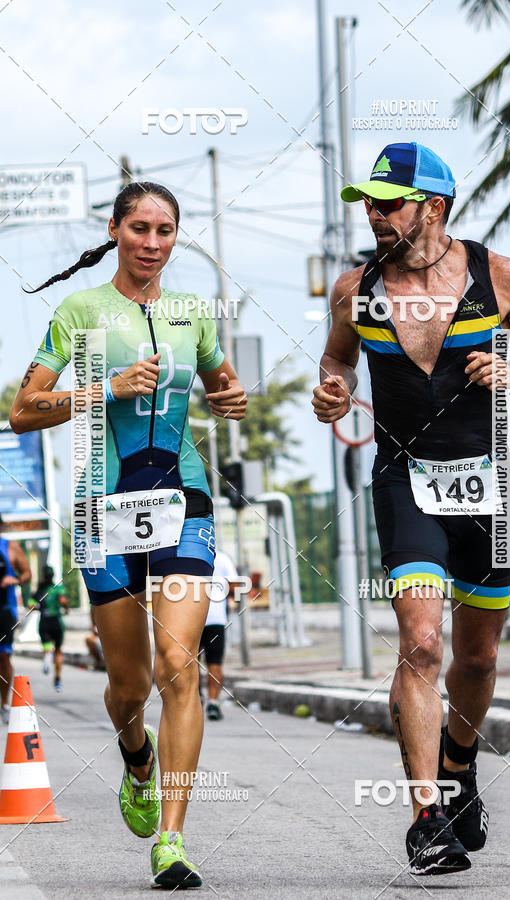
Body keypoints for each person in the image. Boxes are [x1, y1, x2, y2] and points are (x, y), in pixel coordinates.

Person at [312, 142, 510, 876]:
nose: (373, 215)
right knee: (423, 643)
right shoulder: (354, 290)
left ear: (432, 207)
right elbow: (336, 359)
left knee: (479, 654)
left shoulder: (501, 276)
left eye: (388, 203)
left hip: (490, 482)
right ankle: (428, 816)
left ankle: (460, 767)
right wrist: (332, 387)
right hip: (406, 478)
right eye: (368, 203)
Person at [10, 182, 247, 888]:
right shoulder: (80, 312)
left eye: (165, 230)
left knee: (180, 665)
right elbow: (24, 410)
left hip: (185, 500)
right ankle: (135, 754)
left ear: (177, 237)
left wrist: (231, 397)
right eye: (139, 227)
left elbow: (224, 384)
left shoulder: (192, 313)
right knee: (128, 684)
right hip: (100, 507)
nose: (152, 242)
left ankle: (171, 841)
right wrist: (107, 388)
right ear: (115, 230)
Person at [198, 549, 239, 720]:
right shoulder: (222, 558)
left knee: (190, 662)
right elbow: (235, 585)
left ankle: (194, 698)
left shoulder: (192, 555)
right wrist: (229, 598)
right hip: (216, 618)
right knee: (215, 662)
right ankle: (213, 702)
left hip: (192, 618)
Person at [0, 514, 32, 722]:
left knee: (3, 658)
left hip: (4, 610)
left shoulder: (10, 548)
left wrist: (16, 579)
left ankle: (4, 704)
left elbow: (27, 572)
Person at [29, 565, 68, 691]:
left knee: (47, 645)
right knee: (59, 650)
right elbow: (63, 601)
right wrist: (66, 609)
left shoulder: (40, 590)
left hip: (44, 620)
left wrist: (37, 607)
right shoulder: (58, 588)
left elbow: (30, 604)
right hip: (56, 620)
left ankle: (47, 655)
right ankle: (57, 680)